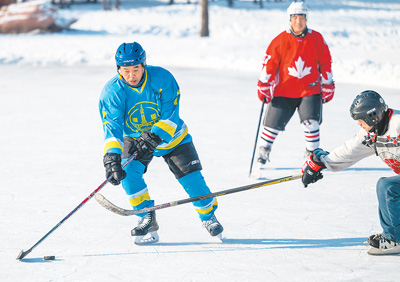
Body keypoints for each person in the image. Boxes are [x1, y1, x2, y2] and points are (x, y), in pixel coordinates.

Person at [99, 42, 223, 244]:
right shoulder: (112, 92)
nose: (132, 76)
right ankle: (146, 216)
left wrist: (154, 136)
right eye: (126, 71)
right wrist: (111, 157)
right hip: (136, 138)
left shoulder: (162, 78)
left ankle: (209, 217)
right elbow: (112, 128)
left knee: (192, 181)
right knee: (127, 174)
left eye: (136, 70)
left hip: (173, 137)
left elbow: (171, 114)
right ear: (118, 69)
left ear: (144, 65)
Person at [302, 90, 400, 255]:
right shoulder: (372, 134)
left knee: (387, 186)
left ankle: (394, 239)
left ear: (372, 116)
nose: (359, 124)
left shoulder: (397, 123)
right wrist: (321, 162)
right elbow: (348, 151)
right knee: (387, 187)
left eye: (361, 120)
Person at [256, 1, 335, 167]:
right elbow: (269, 64)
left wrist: (327, 84)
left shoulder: (317, 38)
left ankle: (313, 156)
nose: (298, 22)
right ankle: (263, 151)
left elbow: (326, 62)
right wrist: (264, 84)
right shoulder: (280, 40)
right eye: (295, 18)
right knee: (272, 125)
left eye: (302, 18)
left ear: (306, 19)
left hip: (310, 90)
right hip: (284, 90)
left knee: (311, 122)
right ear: (289, 19)